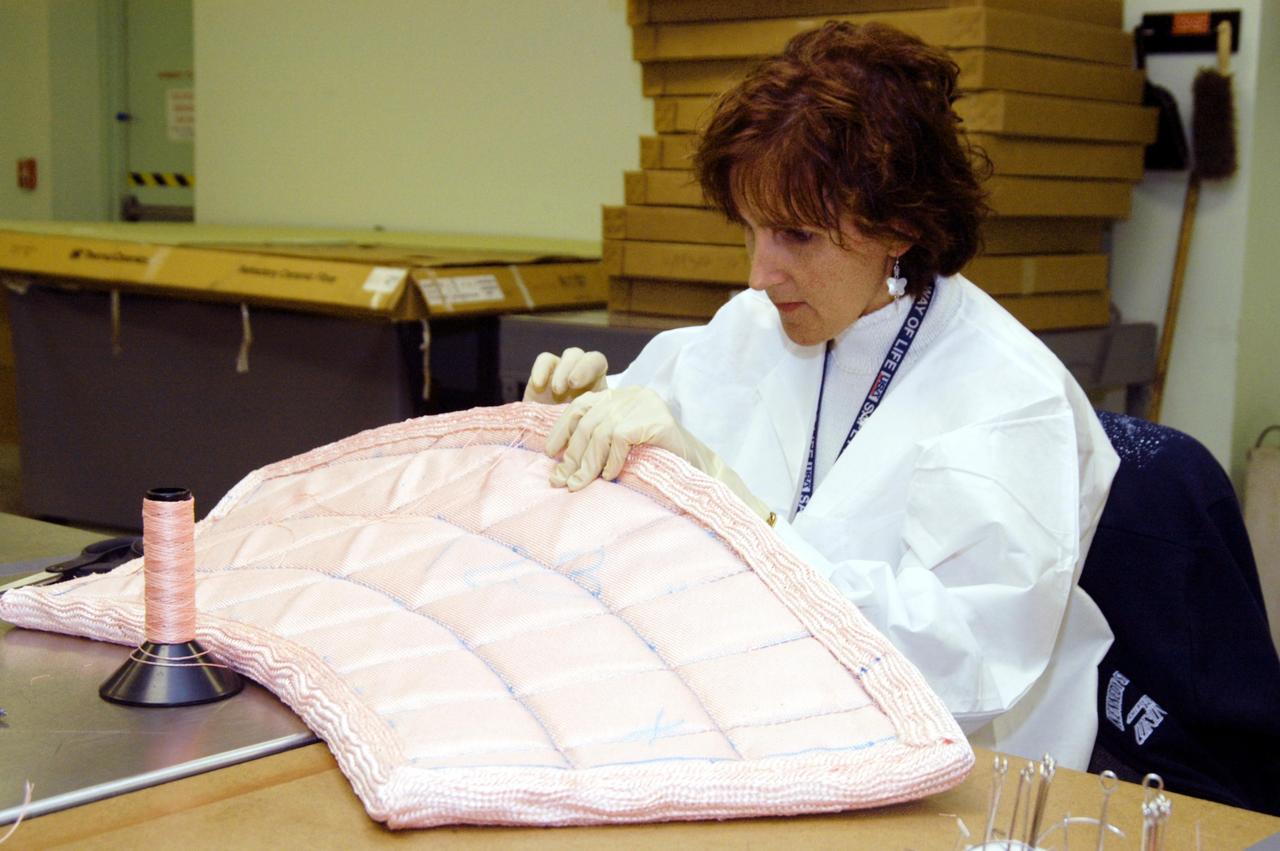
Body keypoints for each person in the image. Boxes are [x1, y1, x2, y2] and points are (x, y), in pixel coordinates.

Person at [523, 21, 1118, 771]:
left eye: (797, 236)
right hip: (751, 722)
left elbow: (962, 664)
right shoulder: (749, 329)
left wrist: (736, 508)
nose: (760, 275)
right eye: (752, 231)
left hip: (940, 768)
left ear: (898, 225)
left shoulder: (1007, 398)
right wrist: (567, 423)